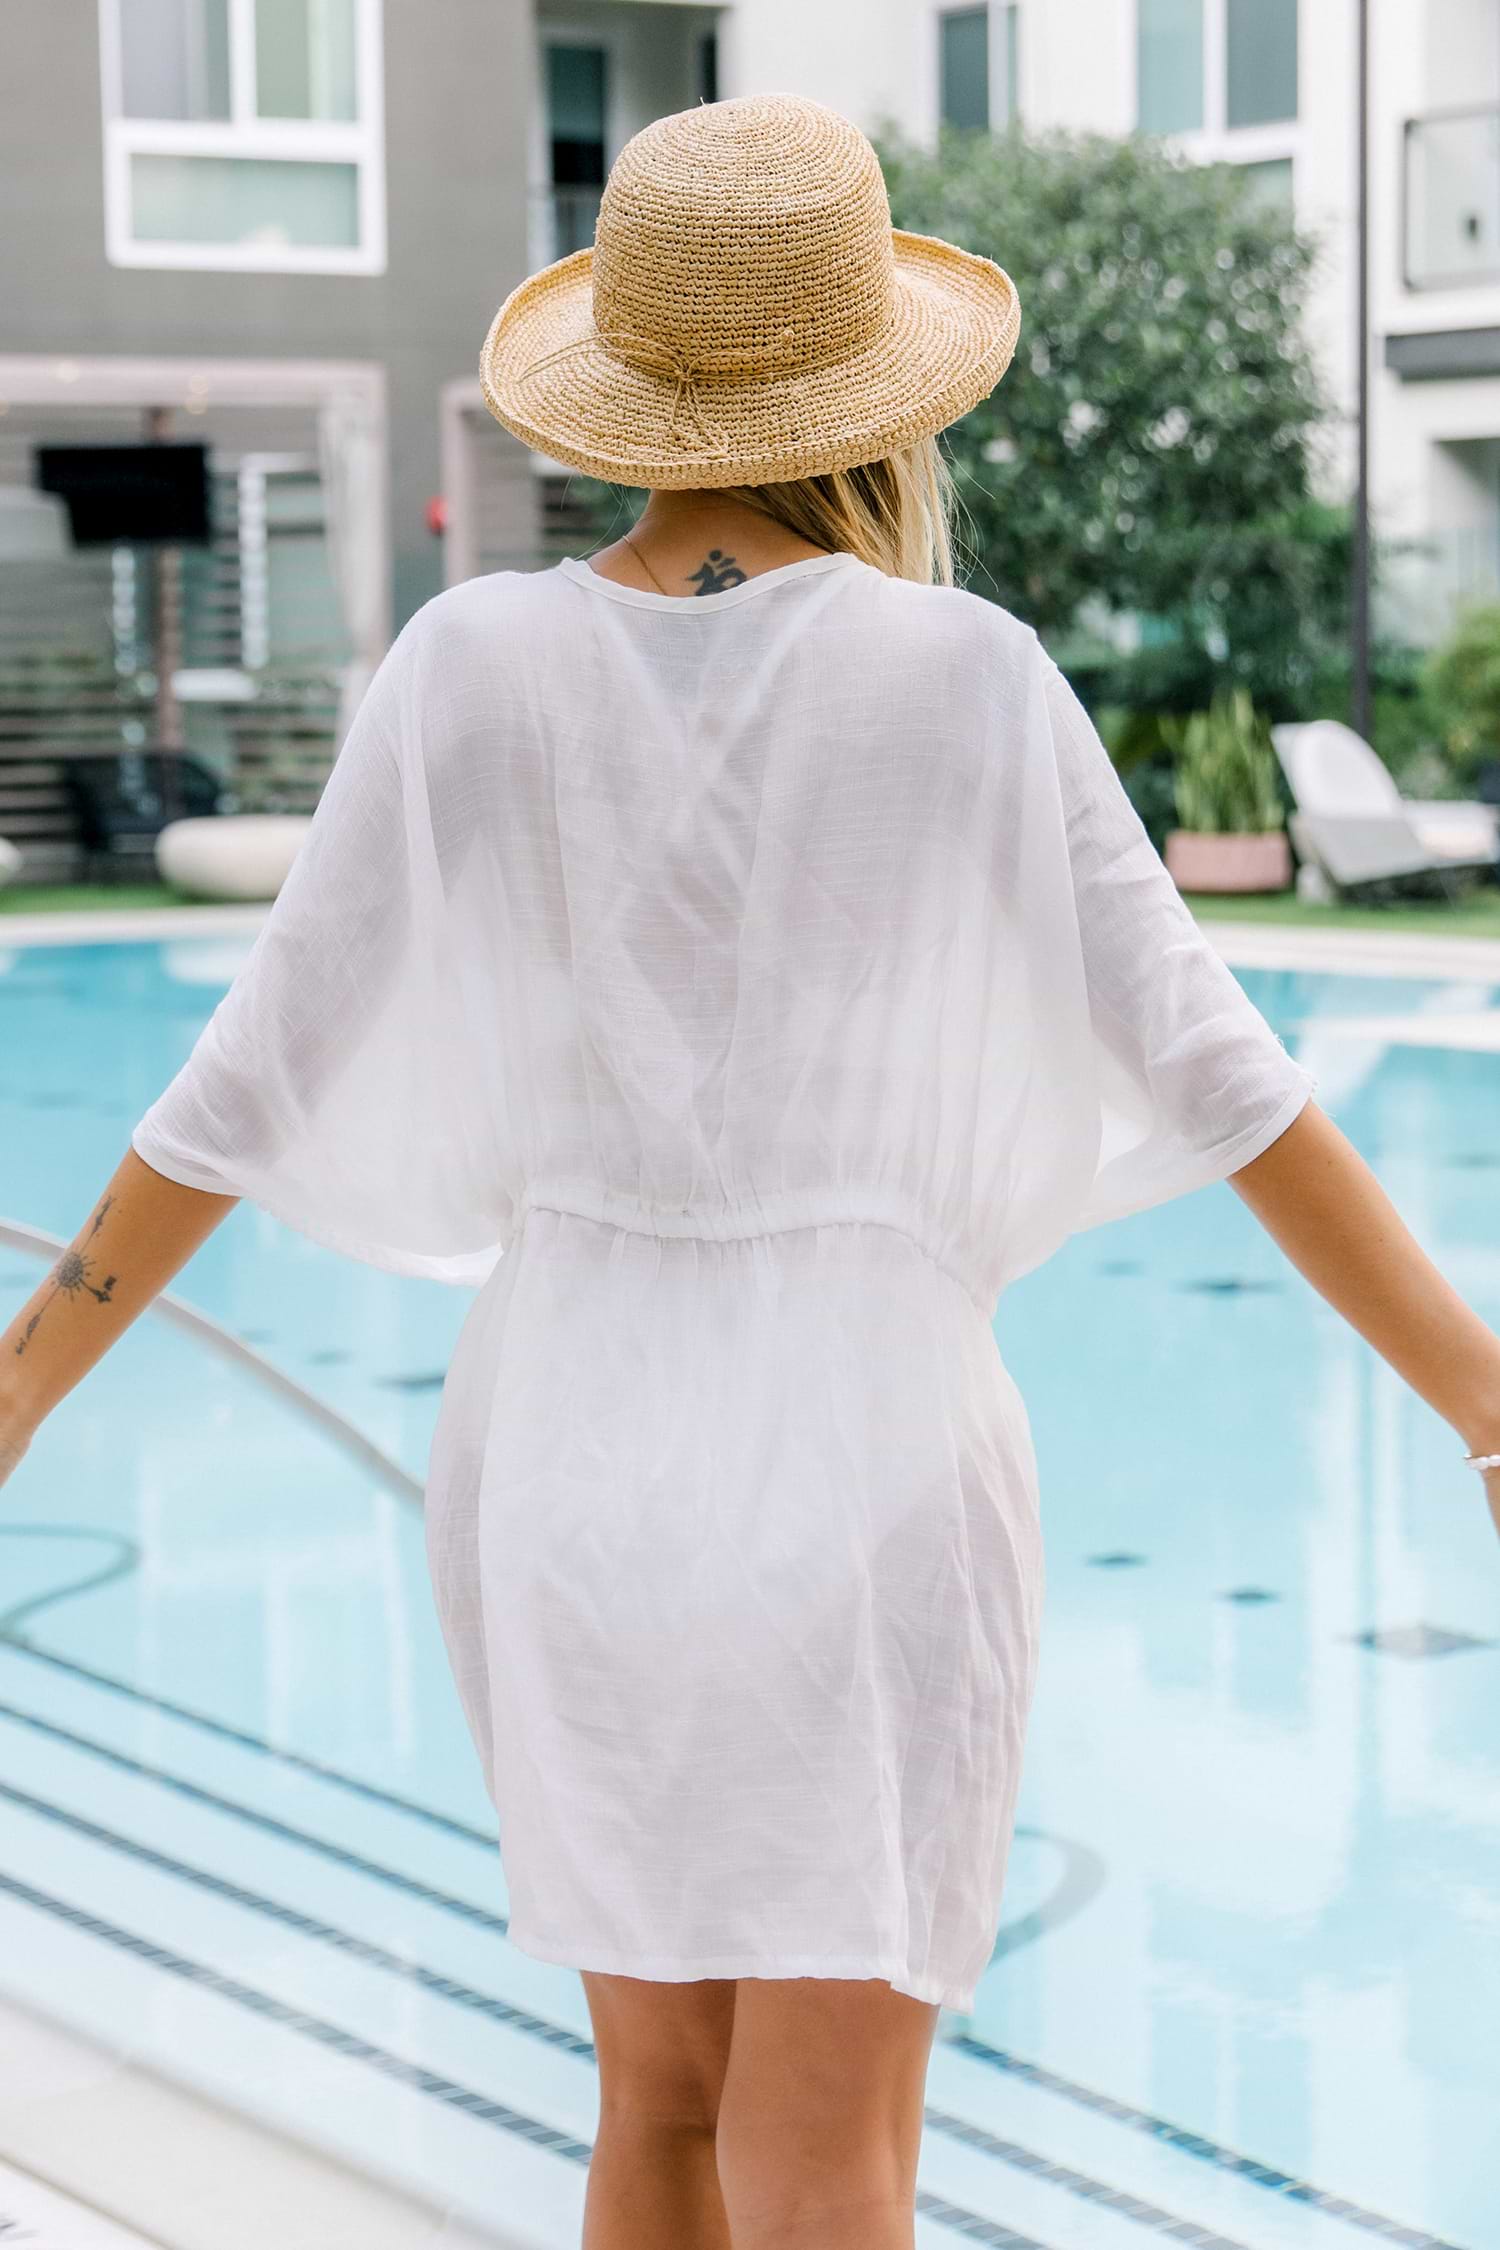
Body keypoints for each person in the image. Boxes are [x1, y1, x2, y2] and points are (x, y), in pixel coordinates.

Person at [2, 90, 1497, 2250]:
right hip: (868, 1452)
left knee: (661, 2109)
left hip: (566, 1450)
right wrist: (1480, 1396)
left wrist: (22, 1384)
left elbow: (235, 1089)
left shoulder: (467, 667)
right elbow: (1230, 1079)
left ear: (624, 378)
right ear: (877, 389)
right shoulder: (964, 678)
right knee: (829, 2149)